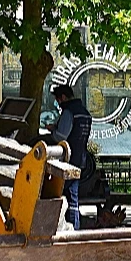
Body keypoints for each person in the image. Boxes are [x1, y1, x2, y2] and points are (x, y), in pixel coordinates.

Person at [49, 84, 92, 229]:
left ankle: (72, 229)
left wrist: (53, 130)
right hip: (81, 159)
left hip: (67, 161)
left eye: (58, 100)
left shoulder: (69, 112)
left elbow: (61, 136)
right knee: (74, 197)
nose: (58, 104)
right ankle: (75, 228)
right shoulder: (84, 112)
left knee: (67, 196)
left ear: (63, 97)